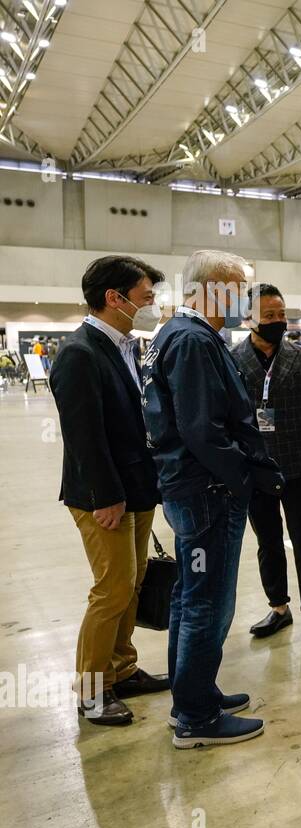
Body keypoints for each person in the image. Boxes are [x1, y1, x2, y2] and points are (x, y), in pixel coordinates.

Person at [142, 250, 284, 749]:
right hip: (208, 490)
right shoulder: (194, 340)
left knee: (189, 594)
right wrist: (244, 476)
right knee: (209, 601)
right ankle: (196, 719)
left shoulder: (180, 336)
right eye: (237, 287)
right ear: (211, 288)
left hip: (190, 486)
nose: (244, 296)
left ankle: (194, 694)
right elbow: (203, 429)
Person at [50, 256, 172, 726]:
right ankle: (91, 688)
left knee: (134, 583)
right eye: (145, 298)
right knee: (112, 588)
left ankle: (121, 668)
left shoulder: (125, 346)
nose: (152, 306)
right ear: (114, 299)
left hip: (135, 488)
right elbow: (83, 435)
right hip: (103, 496)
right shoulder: (79, 353)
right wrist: (105, 497)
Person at [232, 283, 301, 642]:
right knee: (268, 541)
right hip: (255, 467)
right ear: (250, 319)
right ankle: (278, 607)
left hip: (297, 464)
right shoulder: (233, 358)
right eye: (269, 316)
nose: (277, 321)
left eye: (281, 314)